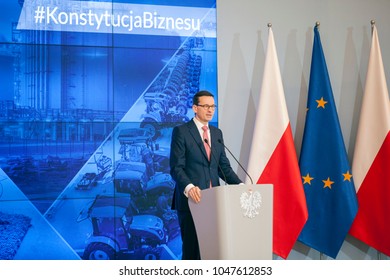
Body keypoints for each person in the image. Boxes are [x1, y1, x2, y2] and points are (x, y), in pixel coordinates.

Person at [169, 90, 242, 260]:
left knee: (212, 250)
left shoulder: (216, 134)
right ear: (195, 107)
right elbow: (176, 167)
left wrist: (240, 186)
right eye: (206, 106)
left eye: (213, 106)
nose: (210, 110)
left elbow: (223, 167)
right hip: (192, 201)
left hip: (214, 202)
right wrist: (189, 186)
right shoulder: (181, 131)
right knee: (193, 251)